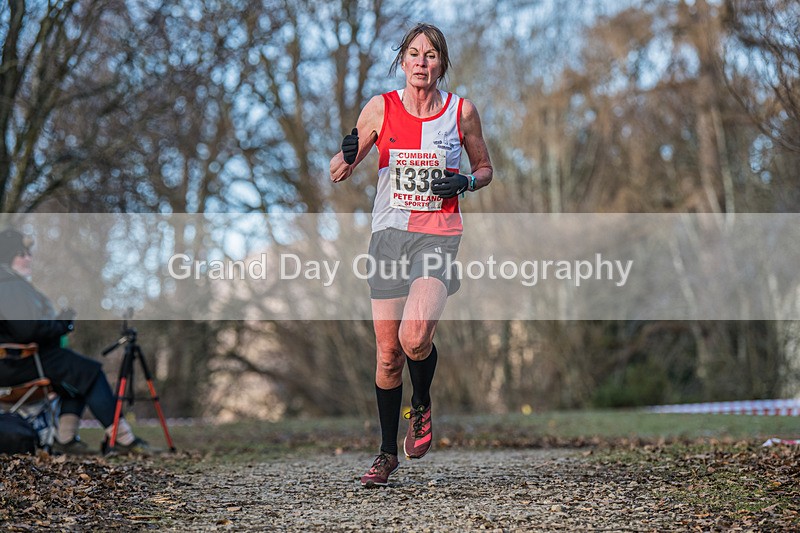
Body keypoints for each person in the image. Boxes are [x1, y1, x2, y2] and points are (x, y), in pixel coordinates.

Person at [329, 23, 493, 487]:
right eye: (415, 54)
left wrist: (465, 181)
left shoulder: (462, 112)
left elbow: (485, 168)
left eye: (432, 55)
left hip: (438, 234)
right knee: (387, 355)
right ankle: (386, 453)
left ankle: (419, 406)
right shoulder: (381, 107)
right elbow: (338, 170)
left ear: (442, 64)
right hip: (389, 236)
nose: (422, 63)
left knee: (415, 336)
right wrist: (346, 152)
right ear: (403, 61)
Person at [0, 228, 149, 455]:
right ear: (8, 255)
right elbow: (26, 330)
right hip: (20, 362)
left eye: (29, 253)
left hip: (22, 360)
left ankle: (65, 439)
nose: (29, 258)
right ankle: (123, 438)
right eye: (22, 254)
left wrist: (59, 322)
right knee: (91, 373)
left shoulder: (10, 284)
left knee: (76, 379)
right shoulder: (9, 285)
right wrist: (62, 324)